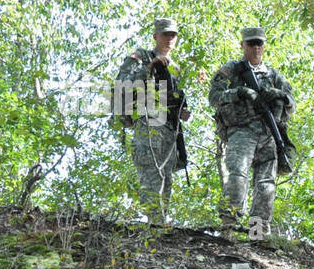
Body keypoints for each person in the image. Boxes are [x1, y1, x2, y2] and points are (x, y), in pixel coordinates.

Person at [208, 27, 295, 237]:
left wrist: (279, 95)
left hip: (269, 133)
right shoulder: (232, 70)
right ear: (243, 45)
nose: (256, 48)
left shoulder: (273, 75)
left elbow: (291, 105)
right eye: (251, 43)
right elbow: (214, 97)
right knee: (237, 174)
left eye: (259, 43)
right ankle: (228, 226)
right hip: (242, 131)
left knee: (266, 184)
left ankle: (257, 232)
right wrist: (239, 92)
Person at [114, 17, 190, 225]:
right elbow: (122, 83)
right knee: (150, 171)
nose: (169, 38)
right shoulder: (141, 56)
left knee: (166, 176)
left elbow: (175, 97)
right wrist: (149, 67)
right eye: (165, 34)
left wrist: (182, 111)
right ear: (155, 36)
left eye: (173, 35)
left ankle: (160, 223)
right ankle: (154, 222)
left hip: (170, 127)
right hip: (148, 120)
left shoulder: (176, 68)